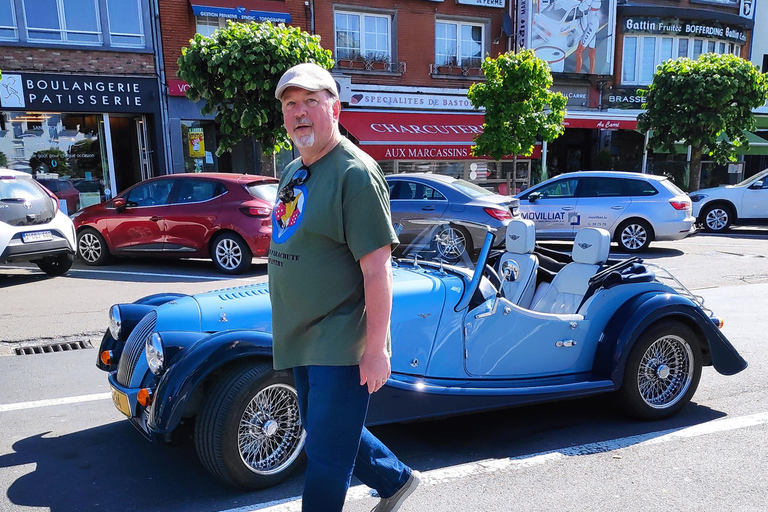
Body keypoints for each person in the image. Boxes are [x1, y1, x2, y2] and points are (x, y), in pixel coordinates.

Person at [268, 62, 421, 512]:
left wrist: (375, 350)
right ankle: (395, 479)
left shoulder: (355, 173)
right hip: (302, 334)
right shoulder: (294, 170)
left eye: (311, 102)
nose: (300, 113)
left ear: (334, 107)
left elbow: (378, 270)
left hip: (340, 339)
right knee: (325, 429)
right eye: (290, 104)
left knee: (325, 458)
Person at [574, 0, 601, 74]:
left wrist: (582, 2)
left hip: (591, 25)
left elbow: (582, 7)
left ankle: (577, 73)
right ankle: (591, 72)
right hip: (593, 22)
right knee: (591, 50)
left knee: (578, 51)